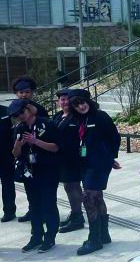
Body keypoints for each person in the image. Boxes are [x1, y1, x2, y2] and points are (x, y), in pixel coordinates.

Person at [67, 89, 121, 255]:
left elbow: (115, 138)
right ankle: (103, 234)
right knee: (97, 198)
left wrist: (109, 157)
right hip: (85, 164)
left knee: (89, 198)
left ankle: (94, 238)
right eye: (76, 104)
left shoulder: (100, 116)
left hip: (98, 164)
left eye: (82, 102)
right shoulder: (77, 119)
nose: (81, 106)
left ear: (88, 101)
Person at [9, 99, 60, 253]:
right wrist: (18, 145)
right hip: (29, 173)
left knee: (48, 204)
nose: (20, 116)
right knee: (34, 205)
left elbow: (56, 147)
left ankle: (50, 236)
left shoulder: (47, 124)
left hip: (48, 171)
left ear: (29, 109)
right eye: (16, 115)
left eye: (22, 112)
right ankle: (36, 235)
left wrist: (36, 141)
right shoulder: (19, 128)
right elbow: (15, 154)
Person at [54, 88, 85, 233]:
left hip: (74, 158)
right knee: (68, 186)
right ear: (58, 101)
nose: (65, 102)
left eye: (67, 99)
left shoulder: (77, 117)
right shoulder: (58, 116)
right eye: (62, 99)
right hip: (61, 158)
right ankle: (75, 213)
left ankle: (78, 217)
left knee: (73, 186)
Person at [0, 99, 14, 222]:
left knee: (7, 184)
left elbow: (12, 132)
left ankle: (9, 211)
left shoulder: (6, 111)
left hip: (5, 155)